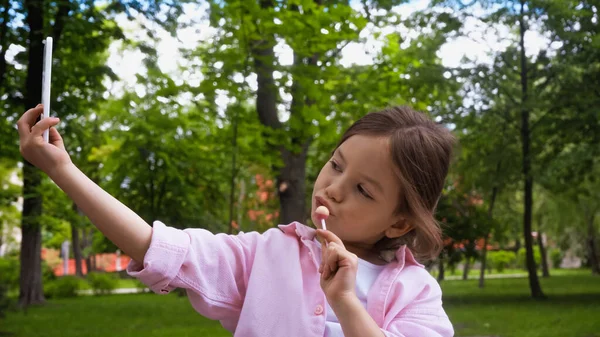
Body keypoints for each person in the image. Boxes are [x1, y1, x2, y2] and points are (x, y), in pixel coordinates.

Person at [18, 104, 455, 337]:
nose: (334, 187)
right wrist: (63, 171)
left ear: (399, 224)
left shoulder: (416, 293)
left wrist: (345, 303)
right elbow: (157, 246)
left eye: (363, 189)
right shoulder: (264, 255)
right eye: (336, 164)